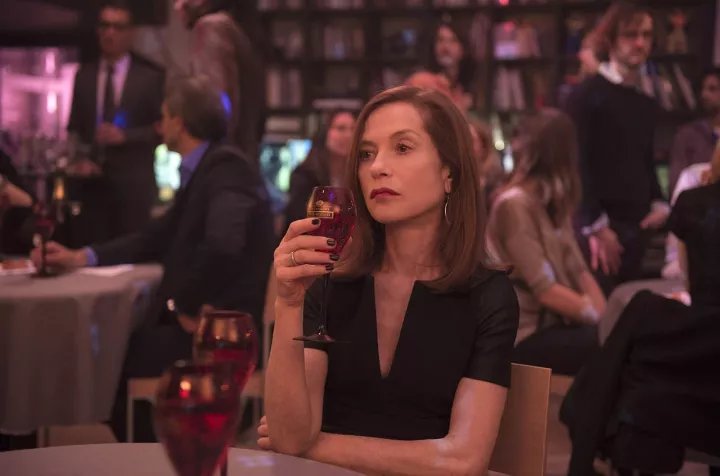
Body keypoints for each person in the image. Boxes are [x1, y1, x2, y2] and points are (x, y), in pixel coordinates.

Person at [259, 86, 519, 475]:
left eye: (402, 148)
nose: (377, 167)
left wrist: (319, 446)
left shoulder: (487, 296)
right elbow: (289, 438)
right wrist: (289, 302)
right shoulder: (331, 282)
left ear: (449, 172)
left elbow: (462, 461)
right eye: (366, 154)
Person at [31, 76, 276, 442]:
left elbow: (223, 245)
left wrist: (183, 305)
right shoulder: (206, 168)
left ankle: (167, 455)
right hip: (211, 321)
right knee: (117, 350)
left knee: (114, 363)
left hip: (223, 332)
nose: (159, 125)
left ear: (180, 122)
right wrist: (81, 256)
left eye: (164, 116)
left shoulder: (227, 170)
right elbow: (155, 237)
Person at [560, 141, 720, 476]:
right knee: (642, 320)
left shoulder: (692, 204)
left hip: (700, 346)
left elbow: (687, 279)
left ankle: (587, 430)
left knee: (639, 318)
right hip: (707, 359)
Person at [487, 109, 606, 376]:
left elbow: (579, 270)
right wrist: (598, 319)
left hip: (553, 325)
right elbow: (545, 290)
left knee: (616, 344)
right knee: (603, 348)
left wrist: (606, 318)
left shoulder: (552, 204)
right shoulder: (514, 205)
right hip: (523, 334)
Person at [565, 1, 668, 291]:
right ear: (610, 40)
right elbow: (577, 163)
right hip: (600, 229)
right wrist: (595, 226)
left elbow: (645, 160)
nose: (640, 43)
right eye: (631, 34)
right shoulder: (585, 96)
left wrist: (659, 202)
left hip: (639, 227)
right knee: (606, 312)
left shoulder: (645, 103)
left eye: (646, 35)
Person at [67, 0, 165, 240]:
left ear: (131, 33)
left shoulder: (150, 77)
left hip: (135, 188)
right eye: (104, 25)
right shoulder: (85, 75)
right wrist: (79, 159)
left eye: (118, 27)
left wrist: (125, 137)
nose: (109, 33)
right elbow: (74, 128)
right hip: (93, 188)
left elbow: (163, 129)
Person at [174, 0, 266, 162]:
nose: (178, 6)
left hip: (220, 162)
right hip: (236, 159)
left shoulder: (211, 27)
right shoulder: (233, 28)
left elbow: (215, 109)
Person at [283, 110, 356, 231]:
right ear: (325, 133)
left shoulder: (360, 174)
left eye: (353, 129)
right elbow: (297, 218)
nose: (348, 135)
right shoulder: (305, 175)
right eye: (341, 128)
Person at [668, 68, 720, 196]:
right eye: (702, 89)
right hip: (698, 204)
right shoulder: (687, 135)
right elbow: (677, 187)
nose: (704, 95)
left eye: (712, 89)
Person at [426, 18, 475, 113]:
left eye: (453, 41)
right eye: (440, 40)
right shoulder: (422, 81)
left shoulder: (461, 91)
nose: (445, 47)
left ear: (463, 50)